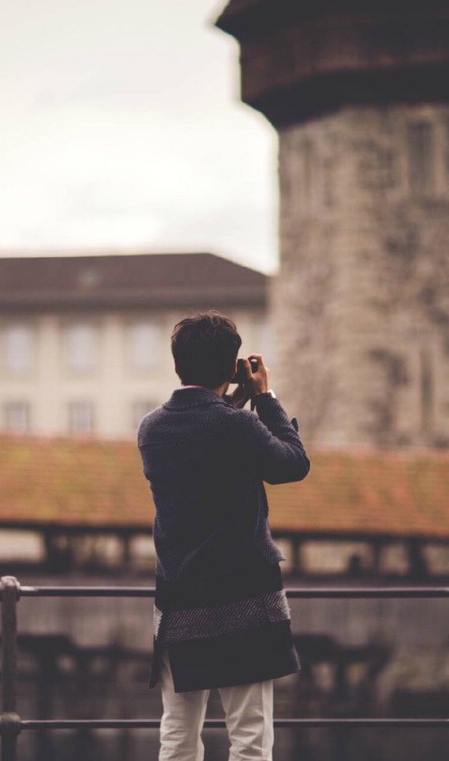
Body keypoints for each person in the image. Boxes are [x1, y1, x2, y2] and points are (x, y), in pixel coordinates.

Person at [138, 310, 310, 761]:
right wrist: (264, 395)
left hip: (180, 602)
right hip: (244, 601)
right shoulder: (238, 427)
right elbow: (293, 463)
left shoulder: (151, 429)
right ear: (231, 365)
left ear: (178, 364)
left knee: (177, 735)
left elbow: (203, 434)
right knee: (250, 739)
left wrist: (228, 398)